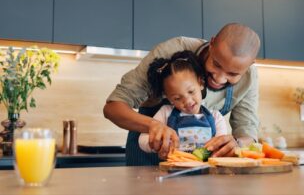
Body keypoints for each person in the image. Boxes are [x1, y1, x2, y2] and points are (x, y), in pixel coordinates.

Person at [104, 23, 261, 166]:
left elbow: (246, 129)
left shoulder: (250, 76)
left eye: (232, 74)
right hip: (148, 158)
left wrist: (238, 143)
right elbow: (113, 107)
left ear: (250, 64)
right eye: (216, 64)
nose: (219, 78)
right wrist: (154, 126)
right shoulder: (171, 51)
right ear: (212, 44)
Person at [138, 50, 228, 157]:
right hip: (174, 170)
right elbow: (142, 140)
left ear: (201, 83)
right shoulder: (165, 113)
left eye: (191, 92)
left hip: (208, 171)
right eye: (177, 98)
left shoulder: (216, 117)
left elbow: (222, 144)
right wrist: (159, 144)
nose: (188, 101)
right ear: (168, 98)